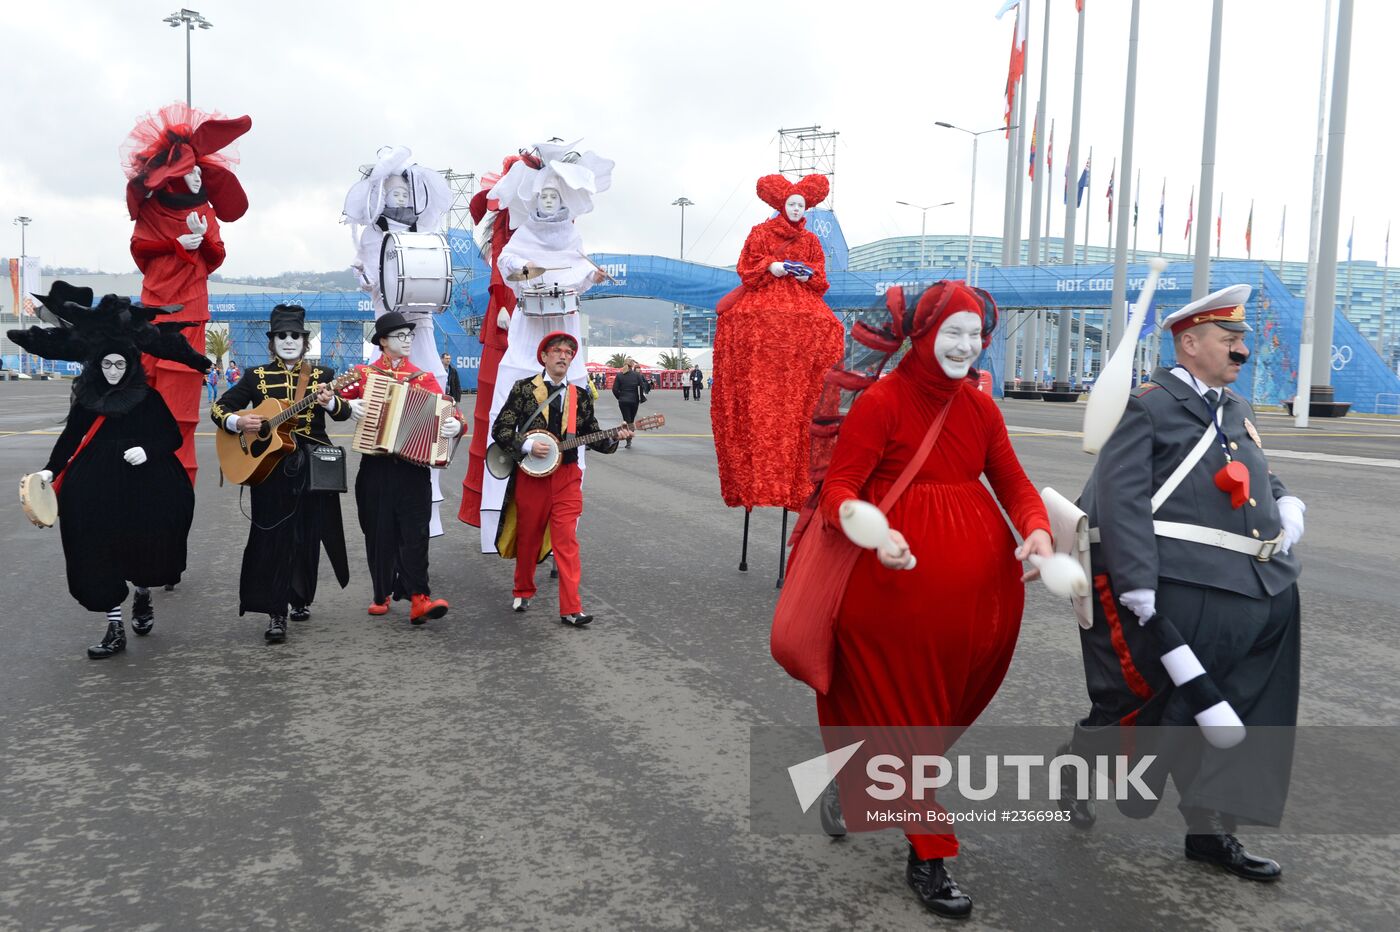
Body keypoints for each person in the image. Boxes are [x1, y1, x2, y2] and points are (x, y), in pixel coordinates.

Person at [813, 282, 1052, 918]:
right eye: (953, 332)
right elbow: (839, 488)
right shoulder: (883, 403)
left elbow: (1015, 483)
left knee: (935, 716)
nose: (965, 346)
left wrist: (1035, 530)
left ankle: (858, 781)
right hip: (887, 596)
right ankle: (931, 855)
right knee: (909, 718)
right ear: (921, 335)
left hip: (976, 605)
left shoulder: (980, 409)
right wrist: (873, 530)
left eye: (975, 336)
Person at [1068, 284, 1304, 881]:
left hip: (1258, 586)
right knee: (1155, 708)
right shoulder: (1147, 404)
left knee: (1244, 712)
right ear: (1190, 342)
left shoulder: (1238, 408)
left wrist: (1286, 500)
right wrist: (1137, 580)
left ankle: (1212, 830)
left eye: (1241, 341)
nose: (1241, 351)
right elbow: (1119, 497)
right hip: (1182, 585)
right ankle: (1080, 762)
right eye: (1230, 340)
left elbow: (1255, 476)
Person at [10, 284, 208, 659]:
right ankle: (114, 625)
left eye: (120, 364)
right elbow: (72, 435)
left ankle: (144, 593)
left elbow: (169, 436)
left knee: (147, 541)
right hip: (97, 480)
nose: (113, 371)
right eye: (107, 364)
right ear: (98, 363)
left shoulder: (147, 397)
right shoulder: (89, 396)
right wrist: (52, 471)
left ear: (130, 363)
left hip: (145, 479)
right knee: (95, 546)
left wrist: (146, 450)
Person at [468, 141, 614, 554]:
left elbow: (580, 266)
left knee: (571, 412)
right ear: (534, 200)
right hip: (530, 328)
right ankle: (502, 523)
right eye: (544, 195)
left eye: (555, 195)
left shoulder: (571, 234)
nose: (549, 201)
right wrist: (523, 270)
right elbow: (508, 263)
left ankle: (563, 529)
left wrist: (591, 275)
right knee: (515, 398)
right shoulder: (526, 233)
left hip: (563, 320)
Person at [123, 102, 252, 485]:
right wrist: (176, 244)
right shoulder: (151, 212)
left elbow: (216, 258)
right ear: (174, 175)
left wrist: (200, 245)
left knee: (180, 402)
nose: (197, 178)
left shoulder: (206, 212)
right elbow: (139, 251)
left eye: (199, 171)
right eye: (189, 171)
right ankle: (129, 467)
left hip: (192, 307)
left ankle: (178, 478)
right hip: (156, 305)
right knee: (138, 391)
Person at [212, 304, 352, 644]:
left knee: (308, 533)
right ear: (272, 341)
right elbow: (220, 408)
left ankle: (300, 598)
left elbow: (344, 413)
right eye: (281, 336)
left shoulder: (323, 375)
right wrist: (238, 421)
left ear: (304, 342)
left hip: (313, 464)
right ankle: (275, 611)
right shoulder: (255, 376)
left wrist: (330, 403)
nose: (289, 340)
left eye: (295, 336)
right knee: (273, 537)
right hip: (270, 467)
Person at [711, 174, 844, 512]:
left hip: (803, 307)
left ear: (807, 208)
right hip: (763, 303)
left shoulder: (812, 240)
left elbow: (821, 279)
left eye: (802, 204)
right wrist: (772, 265)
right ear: (781, 205)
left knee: (828, 329)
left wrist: (805, 275)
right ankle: (752, 479)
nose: (797, 209)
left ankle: (799, 479)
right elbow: (747, 268)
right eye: (792, 204)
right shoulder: (760, 233)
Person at [493, 332, 631, 626]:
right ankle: (523, 589)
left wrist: (613, 437)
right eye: (557, 351)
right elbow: (501, 429)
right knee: (528, 537)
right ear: (543, 356)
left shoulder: (579, 395)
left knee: (566, 541)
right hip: (532, 478)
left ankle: (571, 607)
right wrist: (527, 446)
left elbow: (591, 434)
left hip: (567, 477)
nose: (563, 356)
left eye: (569, 352)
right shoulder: (523, 389)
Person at [338, 311, 463, 623]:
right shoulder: (363, 375)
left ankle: (419, 596)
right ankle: (381, 592)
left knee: (416, 532)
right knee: (378, 531)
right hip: (376, 466)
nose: (407, 341)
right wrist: (344, 405)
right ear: (383, 342)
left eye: (409, 336)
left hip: (413, 469)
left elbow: (449, 412)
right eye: (400, 336)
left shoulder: (424, 378)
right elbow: (333, 398)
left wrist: (455, 426)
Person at [611, 359, 649, 448]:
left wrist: (620, 397)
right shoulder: (637, 375)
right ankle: (629, 440)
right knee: (631, 420)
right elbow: (642, 386)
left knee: (626, 420)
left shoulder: (620, 375)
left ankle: (628, 440)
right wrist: (641, 398)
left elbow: (614, 389)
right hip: (634, 400)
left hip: (623, 400)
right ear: (632, 366)